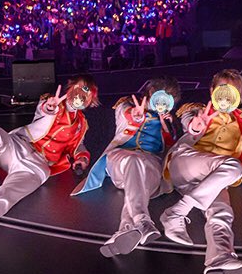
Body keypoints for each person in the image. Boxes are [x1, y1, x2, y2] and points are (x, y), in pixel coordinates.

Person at [161, 69, 242, 274]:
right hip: (185, 164)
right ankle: (176, 213)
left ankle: (220, 258)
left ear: (239, 96)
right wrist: (195, 126)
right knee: (233, 167)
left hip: (211, 179)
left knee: (222, 212)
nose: (225, 96)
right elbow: (190, 123)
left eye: (232, 91)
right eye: (221, 89)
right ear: (212, 91)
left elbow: (240, 151)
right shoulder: (198, 110)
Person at [0, 76, 98, 242]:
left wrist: (82, 158)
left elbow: (78, 145)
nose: (79, 97)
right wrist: (50, 107)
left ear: (90, 101)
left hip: (37, 166)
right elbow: (44, 109)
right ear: (70, 88)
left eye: (85, 95)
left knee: (8, 195)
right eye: (78, 90)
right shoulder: (53, 102)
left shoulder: (82, 124)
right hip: (19, 145)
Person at [72, 77, 180, 258]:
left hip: (151, 162)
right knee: (133, 161)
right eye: (160, 95)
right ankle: (142, 219)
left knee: (139, 183)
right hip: (120, 158)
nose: (161, 102)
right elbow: (125, 114)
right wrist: (136, 115)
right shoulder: (127, 104)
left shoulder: (167, 118)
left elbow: (171, 144)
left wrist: (167, 125)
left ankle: (126, 228)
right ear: (151, 92)